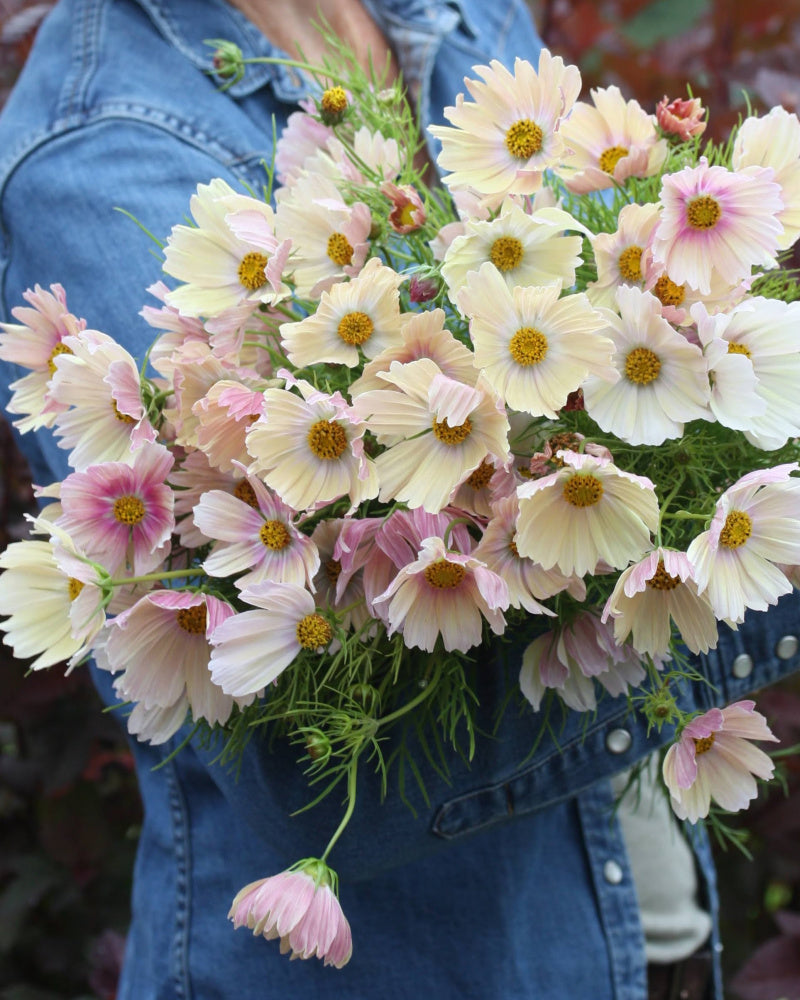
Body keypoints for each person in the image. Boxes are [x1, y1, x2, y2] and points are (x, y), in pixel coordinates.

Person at [0, 1, 798, 998]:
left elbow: (613, 320)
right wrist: (749, 584)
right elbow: (316, 776)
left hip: (632, 933)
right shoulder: (99, 148)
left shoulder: (455, 20)